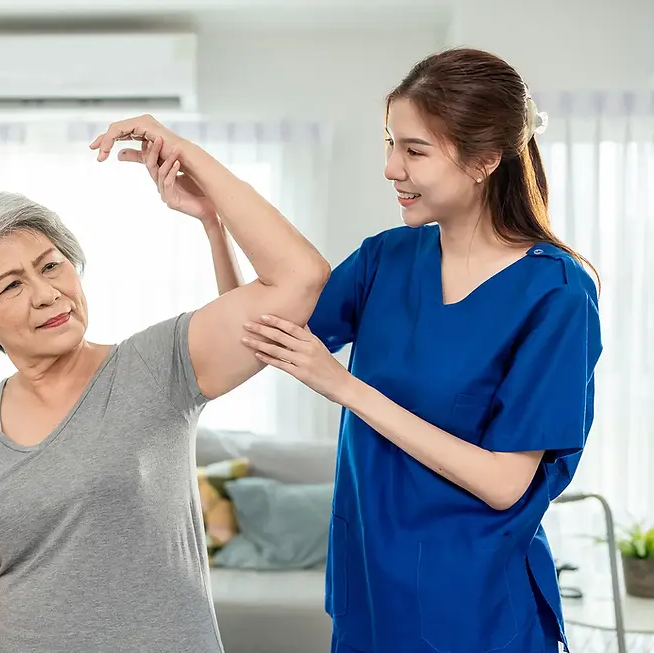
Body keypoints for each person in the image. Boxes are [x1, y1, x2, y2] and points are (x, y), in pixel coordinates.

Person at [199, 49, 602, 652]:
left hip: (473, 607)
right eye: (390, 144)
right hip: (370, 591)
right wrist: (214, 225)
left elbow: (503, 483)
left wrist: (342, 385)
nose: (390, 168)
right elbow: (255, 334)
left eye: (414, 150)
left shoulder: (556, 294)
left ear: (485, 160)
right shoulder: (386, 259)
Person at [0, 114, 331, 653]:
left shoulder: (153, 366)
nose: (46, 293)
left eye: (52, 265)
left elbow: (300, 278)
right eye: (12, 285)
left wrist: (200, 183)